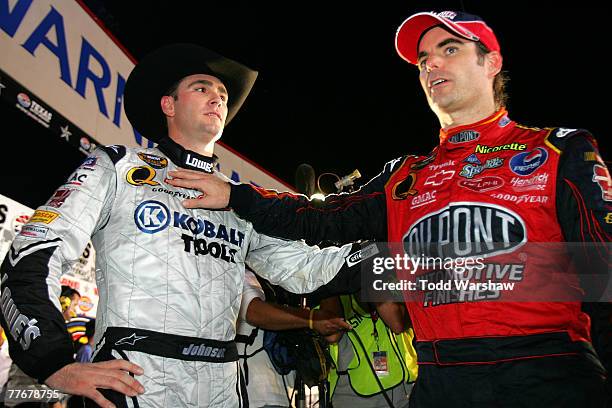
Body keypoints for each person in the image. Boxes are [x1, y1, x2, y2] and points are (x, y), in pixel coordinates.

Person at [166, 11, 612, 407]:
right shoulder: (406, 176)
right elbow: (321, 220)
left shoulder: (560, 149)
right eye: (423, 60)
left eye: (449, 49)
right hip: (440, 376)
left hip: (549, 369)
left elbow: (604, 276)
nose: (431, 63)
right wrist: (237, 196)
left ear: (491, 63)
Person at [0, 43, 368, 408]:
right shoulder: (119, 167)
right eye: (202, 88)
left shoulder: (238, 197)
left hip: (223, 383)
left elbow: (310, 269)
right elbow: (32, 252)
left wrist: (410, 263)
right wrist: (53, 361)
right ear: (169, 105)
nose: (217, 99)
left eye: (223, 94)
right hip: (138, 378)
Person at [236, 269, 351, 407]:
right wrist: (310, 319)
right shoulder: (237, 269)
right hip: (250, 393)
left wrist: (324, 276)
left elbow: (333, 334)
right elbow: (253, 311)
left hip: (283, 394)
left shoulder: (286, 278)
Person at [320, 297, 417, 408]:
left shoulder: (389, 282)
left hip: (405, 388)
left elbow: (399, 321)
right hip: (355, 395)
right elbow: (332, 336)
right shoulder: (334, 291)